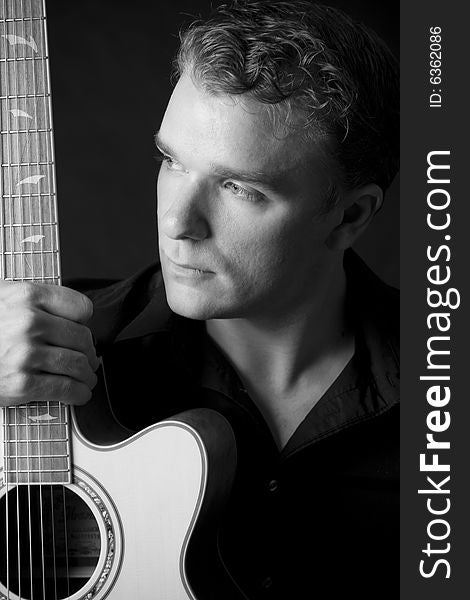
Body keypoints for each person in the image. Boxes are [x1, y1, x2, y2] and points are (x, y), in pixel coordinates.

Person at [0, 1, 399, 598]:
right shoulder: (52, 346)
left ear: (350, 216)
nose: (177, 221)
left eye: (239, 187)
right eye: (170, 161)